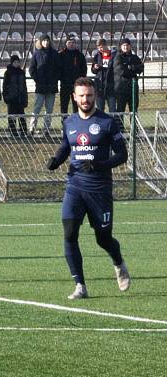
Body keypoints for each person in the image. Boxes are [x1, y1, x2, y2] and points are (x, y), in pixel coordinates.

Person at [46, 77, 130, 300]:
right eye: (81, 95)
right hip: (74, 186)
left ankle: (118, 261)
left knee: (103, 238)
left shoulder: (107, 122)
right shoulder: (70, 122)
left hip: (100, 190)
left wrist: (99, 165)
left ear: (95, 96)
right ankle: (80, 286)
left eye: (89, 95)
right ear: (74, 97)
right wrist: (56, 159)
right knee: (70, 234)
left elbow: (123, 154)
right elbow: (67, 146)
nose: (86, 99)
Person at [28, 34, 59, 136]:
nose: (46, 42)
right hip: (40, 86)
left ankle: (46, 129)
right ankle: (32, 128)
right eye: (44, 40)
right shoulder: (36, 54)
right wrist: (37, 79)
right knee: (37, 108)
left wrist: (54, 79)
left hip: (51, 86)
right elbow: (31, 69)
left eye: (47, 40)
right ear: (40, 42)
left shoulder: (54, 54)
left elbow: (59, 69)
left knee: (49, 109)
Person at [113, 38, 143, 118]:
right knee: (120, 110)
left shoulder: (135, 57)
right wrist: (133, 71)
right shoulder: (118, 57)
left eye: (127, 45)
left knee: (134, 110)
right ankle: (120, 130)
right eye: (124, 45)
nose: (126, 47)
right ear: (121, 47)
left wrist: (131, 67)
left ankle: (134, 129)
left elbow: (141, 68)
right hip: (121, 89)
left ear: (130, 46)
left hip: (133, 88)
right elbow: (121, 71)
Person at [58, 35, 87, 114]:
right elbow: (58, 69)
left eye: (73, 42)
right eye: (69, 42)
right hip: (65, 84)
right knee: (64, 105)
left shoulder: (80, 55)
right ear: (66, 43)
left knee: (77, 105)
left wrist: (81, 81)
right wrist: (62, 78)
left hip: (77, 85)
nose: (71, 44)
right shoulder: (61, 55)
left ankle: (77, 121)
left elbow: (84, 69)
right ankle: (64, 122)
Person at [2, 54, 28, 137]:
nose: (17, 64)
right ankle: (13, 132)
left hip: (20, 97)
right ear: (12, 63)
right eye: (15, 62)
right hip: (11, 98)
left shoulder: (21, 73)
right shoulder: (8, 73)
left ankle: (23, 131)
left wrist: (25, 98)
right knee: (12, 116)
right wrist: (6, 97)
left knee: (21, 115)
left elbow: (24, 86)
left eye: (18, 62)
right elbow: (5, 86)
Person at [91, 38, 115, 113]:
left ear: (105, 45)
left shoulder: (114, 55)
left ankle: (113, 124)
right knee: (100, 109)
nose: (99, 49)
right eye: (98, 47)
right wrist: (95, 68)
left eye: (101, 47)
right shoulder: (97, 56)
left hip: (111, 86)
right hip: (99, 87)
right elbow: (93, 71)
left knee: (112, 108)